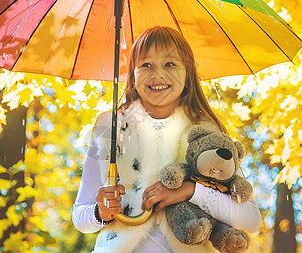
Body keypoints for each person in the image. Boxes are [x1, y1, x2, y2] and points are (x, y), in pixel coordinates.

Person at [72, 26, 261, 252]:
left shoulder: (207, 134)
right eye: (146, 65)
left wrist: (191, 191)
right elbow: (80, 215)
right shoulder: (110, 127)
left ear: (187, 73)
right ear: (132, 74)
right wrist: (99, 213)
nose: (157, 74)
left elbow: (250, 219)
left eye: (170, 64)